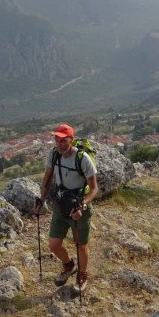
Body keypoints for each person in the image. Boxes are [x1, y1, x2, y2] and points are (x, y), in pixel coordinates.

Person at [33, 123, 98, 291]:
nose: (59, 143)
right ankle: (69, 265)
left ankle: (82, 275)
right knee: (54, 245)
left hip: (78, 206)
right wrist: (41, 200)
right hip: (61, 205)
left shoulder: (82, 158)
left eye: (63, 140)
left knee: (80, 244)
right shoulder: (54, 155)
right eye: (57, 139)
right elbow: (47, 178)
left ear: (71, 140)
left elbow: (94, 188)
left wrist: (83, 206)